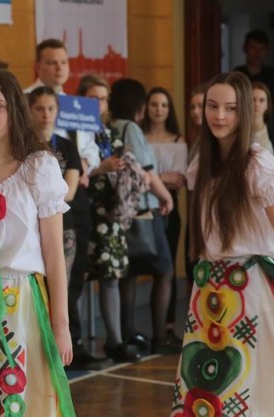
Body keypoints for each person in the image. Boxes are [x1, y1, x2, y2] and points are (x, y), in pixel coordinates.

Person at [171, 71, 274, 415]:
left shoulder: (257, 162)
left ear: (245, 112)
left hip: (252, 288)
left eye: (230, 108)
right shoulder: (202, 162)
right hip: (207, 289)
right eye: (212, 106)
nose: (220, 116)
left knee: (257, 389)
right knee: (207, 391)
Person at [0, 68, 75, 416]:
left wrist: (61, 324)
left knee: (19, 400)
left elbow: (54, 254)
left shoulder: (38, 167)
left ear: (14, 111)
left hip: (21, 302)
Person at [25, 38, 101, 363]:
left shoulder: (76, 104)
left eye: (63, 62)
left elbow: (91, 149)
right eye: (51, 62)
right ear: (38, 66)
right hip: (36, 203)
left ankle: (73, 341)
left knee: (73, 272)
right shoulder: (25, 99)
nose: (58, 68)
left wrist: (85, 164)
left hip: (73, 197)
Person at [109, 78, 176, 354]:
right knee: (165, 271)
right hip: (144, 211)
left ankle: (128, 334)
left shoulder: (111, 125)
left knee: (129, 273)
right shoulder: (132, 128)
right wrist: (167, 196)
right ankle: (159, 336)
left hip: (122, 211)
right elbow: (147, 172)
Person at [78, 74, 141, 363]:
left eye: (103, 99)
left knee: (111, 275)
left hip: (110, 211)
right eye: (92, 99)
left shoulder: (111, 132)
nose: (98, 105)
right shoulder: (73, 133)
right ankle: (76, 341)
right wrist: (100, 168)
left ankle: (114, 341)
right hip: (83, 208)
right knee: (78, 278)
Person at [142, 87, 187, 345]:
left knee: (167, 268)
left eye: (164, 105)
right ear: (146, 108)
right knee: (147, 268)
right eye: (154, 104)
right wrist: (161, 178)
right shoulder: (139, 137)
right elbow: (140, 177)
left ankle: (168, 326)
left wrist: (152, 179)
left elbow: (178, 180)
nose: (159, 109)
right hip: (143, 210)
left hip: (170, 210)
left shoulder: (178, 140)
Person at [27, 86, 81, 294]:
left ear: (57, 110)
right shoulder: (22, 145)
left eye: (50, 108)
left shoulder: (67, 146)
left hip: (63, 226)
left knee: (59, 290)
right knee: (33, 292)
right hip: (30, 227)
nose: (46, 115)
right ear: (30, 110)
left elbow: (70, 191)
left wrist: (41, 198)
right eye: (40, 109)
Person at [234, 29, 274, 127]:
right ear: (245, 48)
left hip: (270, 127)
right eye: (253, 48)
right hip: (242, 126)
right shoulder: (237, 76)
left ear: (267, 50)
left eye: (262, 49)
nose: (257, 53)